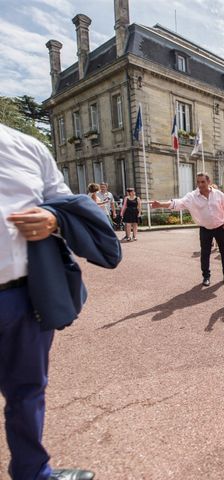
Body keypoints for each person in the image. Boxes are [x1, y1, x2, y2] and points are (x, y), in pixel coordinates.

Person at [1, 123, 100, 480]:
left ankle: (32, 472)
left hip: (22, 294)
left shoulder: (26, 146)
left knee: (28, 391)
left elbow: (64, 203)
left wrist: (54, 218)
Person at [151, 173, 224, 286]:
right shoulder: (192, 197)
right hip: (205, 228)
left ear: (208, 182)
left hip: (220, 227)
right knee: (205, 253)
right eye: (198, 182)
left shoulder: (218, 194)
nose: (200, 184)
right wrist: (161, 204)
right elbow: (178, 203)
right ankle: (206, 277)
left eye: (203, 182)